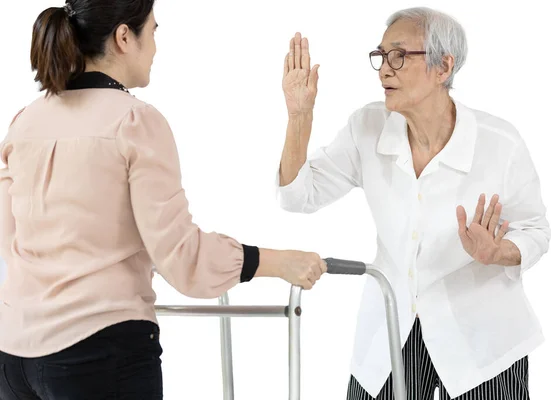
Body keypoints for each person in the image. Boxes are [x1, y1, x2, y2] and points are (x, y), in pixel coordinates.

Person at [0, 1, 327, 399]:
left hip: (14, 356)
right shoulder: (134, 121)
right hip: (98, 351)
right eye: (153, 31)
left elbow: (11, 242)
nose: (155, 46)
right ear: (124, 38)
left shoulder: (24, 122)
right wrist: (278, 262)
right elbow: (183, 259)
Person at [277, 6, 551, 400]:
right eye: (381, 56)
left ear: (444, 67)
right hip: (390, 328)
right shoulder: (366, 128)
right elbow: (297, 196)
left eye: (400, 55)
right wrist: (299, 117)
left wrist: (499, 252)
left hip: (483, 340)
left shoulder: (500, 143)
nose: (385, 69)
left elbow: (537, 232)